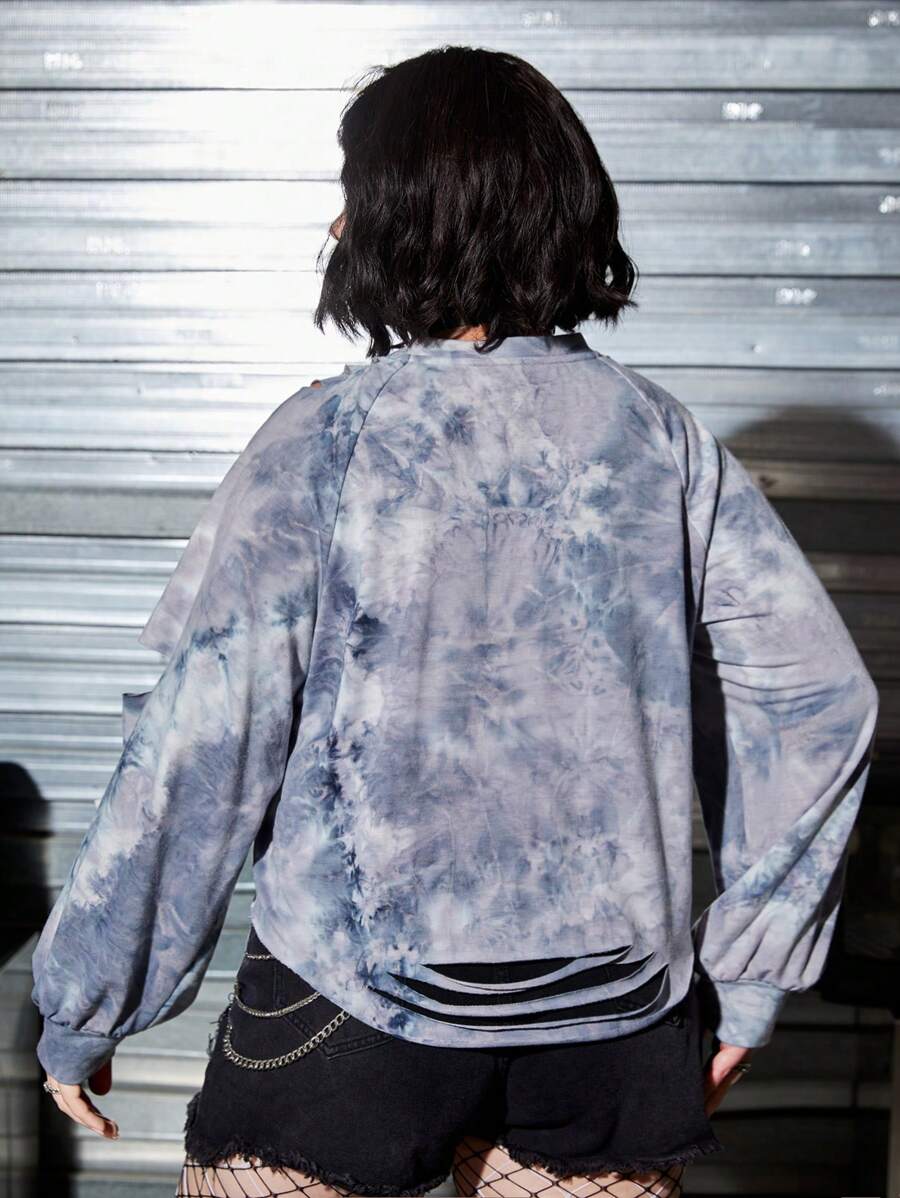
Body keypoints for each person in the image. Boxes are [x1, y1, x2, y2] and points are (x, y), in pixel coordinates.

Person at [31, 45, 879, 1198]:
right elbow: (814, 703)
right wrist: (754, 975)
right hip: (611, 1014)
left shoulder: (327, 437)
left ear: (402, 215)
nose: (337, 224)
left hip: (351, 1008)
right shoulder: (661, 438)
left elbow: (203, 743)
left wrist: (91, 1001)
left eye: (354, 194)